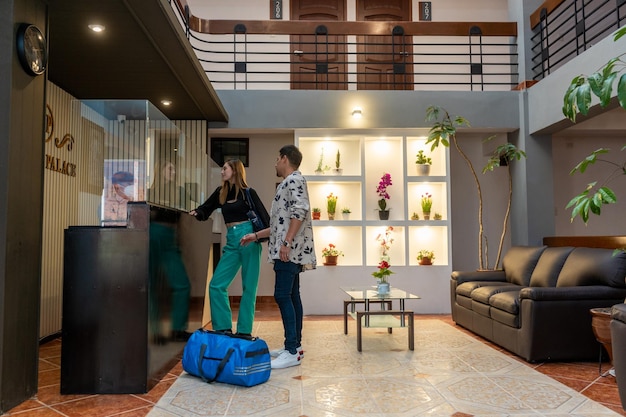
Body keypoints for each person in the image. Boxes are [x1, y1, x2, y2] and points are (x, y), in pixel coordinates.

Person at [250, 145, 316, 369]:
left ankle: (290, 349)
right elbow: (278, 224)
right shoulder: (289, 183)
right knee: (292, 295)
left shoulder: (294, 180)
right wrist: (255, 235)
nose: (275, 163)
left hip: (289, 251)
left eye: (277, 159)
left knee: (282, 295)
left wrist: (287, 243)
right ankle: (295, 347)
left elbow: (300, 211)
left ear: (285, 159)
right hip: (288, 249)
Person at [190, 159, 270, 336]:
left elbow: (266, 220)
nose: (222, 171)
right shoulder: (221, 192)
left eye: (224, 168)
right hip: (232, 240)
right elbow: (206, 208)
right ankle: (223, 327)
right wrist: (197, 213)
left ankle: (244, 331)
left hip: (249, 238)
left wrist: (256, 236)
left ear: (234, 170)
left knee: (249, 287)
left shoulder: (248, 193)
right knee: (216, 284)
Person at [148, 160, 192, 342]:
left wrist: (181, 242)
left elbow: (183, 220)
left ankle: (177, 329)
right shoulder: (152, 192)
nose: (173, 171)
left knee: (182, 284)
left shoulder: (181, 192)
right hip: (153, 235)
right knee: (153, 284)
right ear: (161, 170)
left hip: (170, 237)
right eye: (169, 168)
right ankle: (156, 332)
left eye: (175, 168)